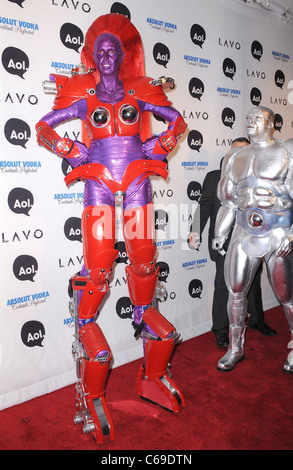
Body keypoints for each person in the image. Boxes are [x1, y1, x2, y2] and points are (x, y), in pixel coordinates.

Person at [36, 13, 187, 444]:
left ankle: (152, 377)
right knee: (98, 274)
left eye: (112, 51)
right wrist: (71, 148)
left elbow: (176, 121)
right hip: (98, 189)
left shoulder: (141, 91)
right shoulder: (82, 94)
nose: (105, 55)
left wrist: (159, 143)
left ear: (122, 58)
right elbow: (44, 127)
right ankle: (94, 389)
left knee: (143, 270)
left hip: (138, 185)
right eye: (99, 50)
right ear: (92, 55)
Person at [212, 106, 293, 373]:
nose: (251, 121)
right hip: (243, 230)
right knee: (235, 291)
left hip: (278, 230)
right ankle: (235, 348)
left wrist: (291, 234)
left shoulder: (287, 151)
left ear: (271, 124)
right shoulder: (235, 155)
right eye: (248, 118)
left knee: (286, 295)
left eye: (257, 118)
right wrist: (219, 233)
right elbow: (230, 203)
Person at [189, 138, 276, 348]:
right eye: (236, 151)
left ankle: (256, 320)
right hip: (225, 242)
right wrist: (194, 231)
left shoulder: (257, 177)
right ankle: (220, 330)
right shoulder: (214, 177)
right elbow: (204, 207)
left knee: (253, 283)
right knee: (223, 286)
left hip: (251, 239)